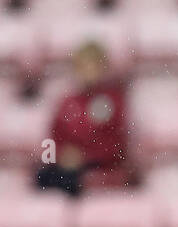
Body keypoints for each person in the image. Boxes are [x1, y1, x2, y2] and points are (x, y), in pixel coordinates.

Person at [34, 41, 130, 197]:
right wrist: (60, 156)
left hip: (98, 167)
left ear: (103, 68)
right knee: (43, 177)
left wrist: (84, 156)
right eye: (82, 67)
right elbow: (51, 141)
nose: (88, 72)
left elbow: (117, 145)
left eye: (92, 67)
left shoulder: (114, 101)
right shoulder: (66, 102)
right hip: (65, 168)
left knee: (70, 180)